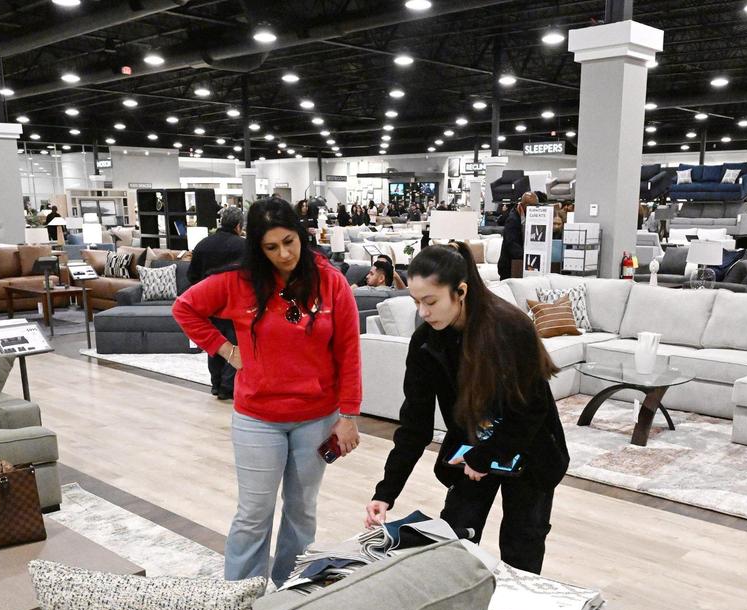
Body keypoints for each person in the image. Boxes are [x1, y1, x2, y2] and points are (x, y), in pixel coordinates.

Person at [172, 197, 363, 585]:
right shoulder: (238, 282)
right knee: (254, 512)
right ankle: (239, 597)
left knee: (302, 510)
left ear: (301, 235)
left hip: (317, 416)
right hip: (257, 418)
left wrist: (350, 416)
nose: (284, 254)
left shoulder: (331, 282)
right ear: (257, 248)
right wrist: (225, 349)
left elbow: (349, 351)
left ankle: (289, 588)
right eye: (271, 247)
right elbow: (185, 307)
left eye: (289, 241)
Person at [363, 242, 568, 573]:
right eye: (416, 302)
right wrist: (386, 492)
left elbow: (531, 409)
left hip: (531, 451)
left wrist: (488, 454)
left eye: (430, 301)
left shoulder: (510, 328)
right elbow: (414, 424)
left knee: (523, 544)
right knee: (456, 536)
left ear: (460, 291)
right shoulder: (427, 342)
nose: (423, 312)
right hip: (470, 451)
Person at [188, 207, 247, 400]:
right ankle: (227, 386)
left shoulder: (203, 244)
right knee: (234, 344)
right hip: (234, 303)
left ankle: (215, 384)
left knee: (214, 343)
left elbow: (192, 275)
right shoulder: (242, 246)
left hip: (208, 304)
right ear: (239, 226)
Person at [498, 191, 537, 281]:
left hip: (518, 263)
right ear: (525, 205)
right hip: (510, 265)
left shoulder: (526, 218)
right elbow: (511, 244)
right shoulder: (513, 219)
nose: (535, 209)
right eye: (532, 206)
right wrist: (526, 257)